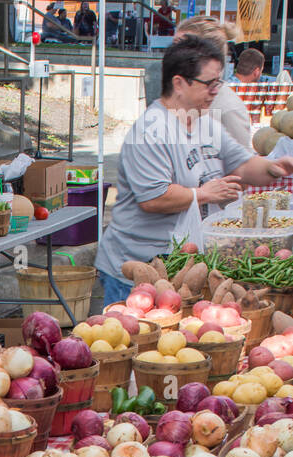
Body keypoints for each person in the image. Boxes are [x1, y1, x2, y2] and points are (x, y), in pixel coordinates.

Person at [95, 35, 293, 307]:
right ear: (179, 83)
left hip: (181, 264)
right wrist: (202, 194)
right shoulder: (151, 131)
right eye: (209, 83)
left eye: (218, 82)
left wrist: (274, 167)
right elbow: (153, 198)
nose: (216, 90)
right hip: (135, 269)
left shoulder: (205, 124)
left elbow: (243, 165)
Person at [145, 17, 252, 150]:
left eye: (181, 47)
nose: (172, 53)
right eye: (173, 46)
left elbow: (242, 166)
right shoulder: (174, 95)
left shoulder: (227, 110)